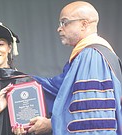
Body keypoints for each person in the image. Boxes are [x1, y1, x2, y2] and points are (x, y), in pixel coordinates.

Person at [33, 1, 122, 135]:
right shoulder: (88, 54)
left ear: (84, 24)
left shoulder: (92, 56)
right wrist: (16, 81)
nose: (59, 28)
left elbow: (91, 119)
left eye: (64, 22)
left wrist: (51, 124)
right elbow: (59, 88)